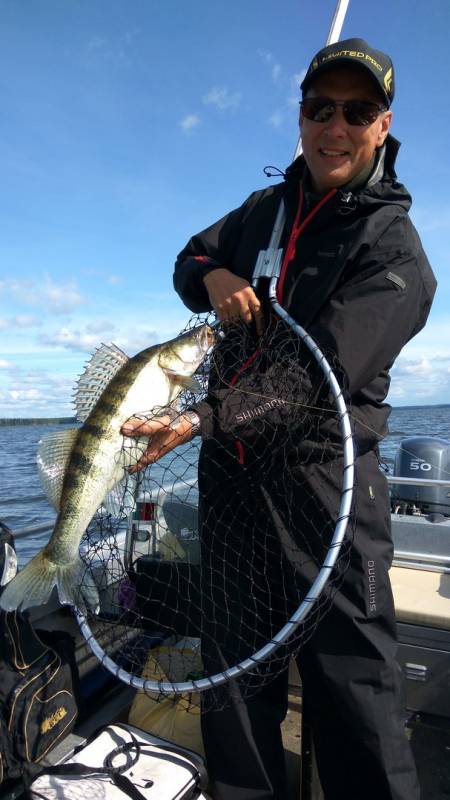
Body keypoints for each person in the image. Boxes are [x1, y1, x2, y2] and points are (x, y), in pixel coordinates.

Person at [123, 38, 436, 800]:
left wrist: (199, 417)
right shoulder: (262, 210)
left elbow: (313, 380)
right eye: (318, 109)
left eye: (355, 112)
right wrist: (217, 273)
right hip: (231, 488)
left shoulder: (396, 253)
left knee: (355, 693)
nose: (334, 127)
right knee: (233, 686)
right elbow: (187, 260)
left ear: (383, 126)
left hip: (324, 488)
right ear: (299, 118)